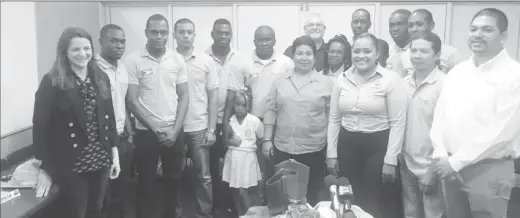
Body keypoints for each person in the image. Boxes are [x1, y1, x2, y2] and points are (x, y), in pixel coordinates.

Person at [430, 8, 520, 218]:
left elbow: (503, 131)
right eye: (473, 29)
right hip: (450, 168)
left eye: (487, 29)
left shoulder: (514, 74)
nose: (477, 34)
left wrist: (456, 162)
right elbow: (439, 116)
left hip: (488, 169)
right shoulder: (458, 72)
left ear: (503, 36)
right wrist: (442, 154)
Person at [33, 27, 121, 218]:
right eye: (76, 50)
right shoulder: (52, 81)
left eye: (87, 48)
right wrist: (45, 168)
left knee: (96, 209)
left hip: (101, 159)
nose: (83, 54)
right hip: (71, 163)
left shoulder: (100, 76)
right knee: (76, 213)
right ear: (64, 52)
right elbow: (40, 125)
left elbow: (110, 119)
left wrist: (115, 155)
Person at [326, 33, 407, 218]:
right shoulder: (342, 79)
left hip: (378, 146)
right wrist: (331, 154)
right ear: (351, 53)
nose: (361, 56)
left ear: (377, 54)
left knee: (376, 200)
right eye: (357, 51)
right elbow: (334, 119)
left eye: (367, 51)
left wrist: (391, 160)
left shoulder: (391, 79)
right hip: (347, 145)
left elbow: (398, 123)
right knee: (349, 198)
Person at [125, 14, 189, 218]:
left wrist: (175, 130)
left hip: (174, 131)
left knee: (174, 181)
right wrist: (156, 128)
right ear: (146, 33)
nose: (159, 36)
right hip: (146, 133)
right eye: (154, 32)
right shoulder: (133, 60)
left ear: (168, 34)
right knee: (146, 183)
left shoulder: (177, 59)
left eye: (163, 32)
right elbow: (132, 101)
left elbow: (185, 95)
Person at [263, 36, 333, 206]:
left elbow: (333, 118)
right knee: (284, 193)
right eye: (299, 53)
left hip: (314, 150)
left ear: (315, 57)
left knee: (312, 195)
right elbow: (270, 109)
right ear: (293, 56)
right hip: (283, 147)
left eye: (308, 53)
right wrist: (266, 139)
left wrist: (331, 150)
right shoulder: (280, 80)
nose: (304, 57)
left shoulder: (326, 83)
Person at [228, 25, 293, 205]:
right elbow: (233, 96)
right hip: (249, 123)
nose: (264, 43)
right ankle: (252, 209)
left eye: (268, 39)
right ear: (254, 41)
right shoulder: (241, 61)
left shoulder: (286, 63)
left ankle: (274, 208)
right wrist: (229, 126)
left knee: (275, 170)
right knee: (252, 172)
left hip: (277, 124)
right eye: (260, 39)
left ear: (275, 41)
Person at [174, 18, 219, 218]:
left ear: (194, 35)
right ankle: (175, 213)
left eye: (189, 32)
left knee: (204, 176)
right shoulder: (168, 59)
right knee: (173, 174)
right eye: (181, 32)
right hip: (172, 127)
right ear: (174, 34)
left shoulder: (205, 60)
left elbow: (213, 97)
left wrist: (211, 129)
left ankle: (205, 214)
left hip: (199, 126)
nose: (185, 35)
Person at [206, 18, 250, 217]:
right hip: (209, 121)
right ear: (212, 34)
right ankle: (218, 207)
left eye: (227, 33)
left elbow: (247, 90)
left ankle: (236, 207)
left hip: (235, 122)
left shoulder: (240, 58)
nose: (223, 36)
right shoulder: (203, 57)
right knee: (213, 168)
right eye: (220, 32)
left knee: (235, 166)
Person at [400, 32, 445, 218]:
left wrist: (433, 170)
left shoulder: (445, 84)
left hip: (431, 165)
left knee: (433, 214)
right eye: (414, 50)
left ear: (437, 55)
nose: (417, 55)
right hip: (406, 163)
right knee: (410, 213)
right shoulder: (403, 83)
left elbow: (447, 132)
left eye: (424, 51)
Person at [95, 24, 135, 218]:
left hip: (122, 139)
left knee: (122, 193)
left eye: (122, 41)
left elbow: (122, 102)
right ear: (100, 42)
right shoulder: (92, 68)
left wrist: (129, 133)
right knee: (103, 197)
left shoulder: (122, 67)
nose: (119, 45)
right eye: (113, 40)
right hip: (103, 143)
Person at [222, 88, 264, 217]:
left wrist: (250, 147)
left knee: (242, 190)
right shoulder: (230, 121)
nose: (239, 108)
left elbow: (261, 138)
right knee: (234, 189)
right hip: (233, 158)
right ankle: (239, 213)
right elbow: (224, 140)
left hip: (247, 159)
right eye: (237, 104)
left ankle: (248, 214)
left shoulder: (254, 121)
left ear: (248, 106)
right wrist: (230, 142)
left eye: (243, 105)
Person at [395, 9, 460, 77]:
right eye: (410, 26)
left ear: (431, 25)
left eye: (419, 24)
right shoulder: (405, 55)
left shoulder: (450, 53)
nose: (414, 29)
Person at [386, 9, 412, 74]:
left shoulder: (419, 52)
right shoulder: (385, 51)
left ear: (410, 26)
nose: (395, 29)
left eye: (399, 24)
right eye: (391, 25)